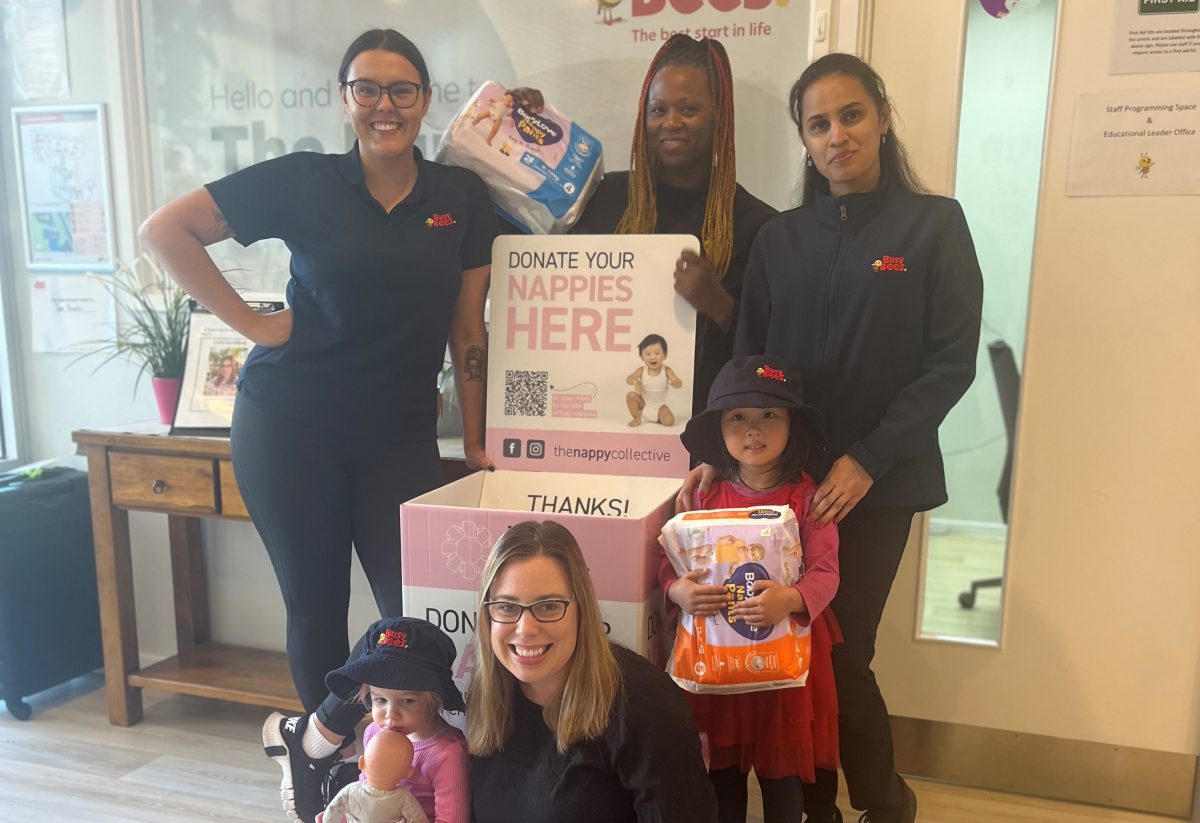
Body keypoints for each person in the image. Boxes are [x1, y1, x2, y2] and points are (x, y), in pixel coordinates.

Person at [140, 28, 496, 822]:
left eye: (401, 89)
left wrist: (475, 439)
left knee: (409, 609)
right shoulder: (305, 180)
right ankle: (326, 771)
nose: (384, 105)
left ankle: (387, 758)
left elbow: (468, 330)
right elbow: (165, 230)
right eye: (366, 88)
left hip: (400, 432)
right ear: (345, 99)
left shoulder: (457, 197)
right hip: (290, 422)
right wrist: (250, 324)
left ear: (425, 101)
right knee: (315, 604)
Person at [686, 53, 984, 823]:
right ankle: (813, 805)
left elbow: (950, 364)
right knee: (791, 652)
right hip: (777, 487)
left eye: (851, 115)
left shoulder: (935, 225)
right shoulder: (782, 240)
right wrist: (716, 459)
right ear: (805, 141)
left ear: (881, 117)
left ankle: (887, 803)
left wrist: (869, 457)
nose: (837, 135)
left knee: (843, 653)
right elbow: (745, 363)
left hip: (879, 484)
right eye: (818, 124)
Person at [662, 355, 841, 823]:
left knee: (782, 778)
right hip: (717, 659)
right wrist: (676, 590)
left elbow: (826, 572)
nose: (753, 429)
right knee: (721, 773)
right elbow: (671, 560)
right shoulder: (703, 496)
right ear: (719, 430)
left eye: (769, 416)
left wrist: (790, 598)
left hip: (786, 661)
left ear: (792, 426)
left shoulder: (808, 499)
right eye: (737, 417)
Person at [571, 33, 777, 415]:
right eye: (658, 109)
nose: (671, 122)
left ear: (719, 116)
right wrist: (521, 123)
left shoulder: (758, 226)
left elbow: (776, 362)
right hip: (604, 425)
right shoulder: (606, 198)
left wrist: (720, 307)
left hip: (709, 444)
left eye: (688, 109)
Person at [467, 520, 718, 823]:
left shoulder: (646, 706)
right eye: (507, 607)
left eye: (548, 606)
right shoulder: (489, 692)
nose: (526, 629)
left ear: (581, 608)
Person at [265, 616, 469, 823]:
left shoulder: (447, 753)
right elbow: (366, 794)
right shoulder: (374, 732)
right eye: (380, 700)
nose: (391, 714)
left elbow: (451, 819)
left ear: (434, 700)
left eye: (407, 701)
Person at [322, 730, 428, 823]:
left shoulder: (350, 790)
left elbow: (331, 813)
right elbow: (419, 820)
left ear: (362, 763)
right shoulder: (404, 798)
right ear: (408, 773)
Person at [625, 333, 683, 426]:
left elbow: (676, 380)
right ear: (642, 357)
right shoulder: (641, 370)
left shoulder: (667, 371)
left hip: (659, 407)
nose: (652, 357)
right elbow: (629, 379)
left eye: (657, 353)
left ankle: (656, 416)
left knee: (669, 422)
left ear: (665, 355)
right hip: (643, 404)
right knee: (630, 396)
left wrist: (677, 383)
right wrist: (636, 382)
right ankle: (637, 418)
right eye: (648, 354)